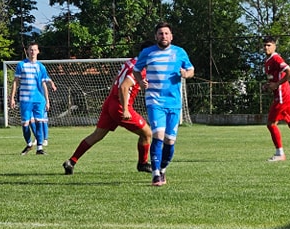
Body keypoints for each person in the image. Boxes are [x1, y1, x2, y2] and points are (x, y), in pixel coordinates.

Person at [63, 42, 153, 175]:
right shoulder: (139, 69)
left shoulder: (130, 62)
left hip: (111, 102)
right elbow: (123, 87)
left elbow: (115, 80)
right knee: (147, 133)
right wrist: (125, 109)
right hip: (120, 106)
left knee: (97, 135)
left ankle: (71, 161)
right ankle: (143, 163)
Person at [133, 22, 193, 187]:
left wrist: (185, 74)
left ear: (171, 36)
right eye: (160, 33)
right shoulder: (147, 53)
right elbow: (136, 70)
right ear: (156, 36)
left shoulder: (179, 52)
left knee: (170, 141)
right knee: (158, 135)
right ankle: (155, 173)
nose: (163, 36)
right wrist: (141, 81)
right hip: (154, 100)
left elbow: (191, 70)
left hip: (173, 102)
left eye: (166, 33)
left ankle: (163, 168)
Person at [9, 42, 53, 155]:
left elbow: (43, 84)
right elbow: (15, 82)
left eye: (34, 50)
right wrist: (12, 98)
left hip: (39, 99)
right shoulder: (21, 65)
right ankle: (29, 144)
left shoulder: (41, 67)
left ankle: (39, 148)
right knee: (25, 123)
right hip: (25, 100)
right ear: (27, 51)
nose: (33, 52)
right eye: (30, 50)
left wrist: (47, 100)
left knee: (39, 122)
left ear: (38, 51)